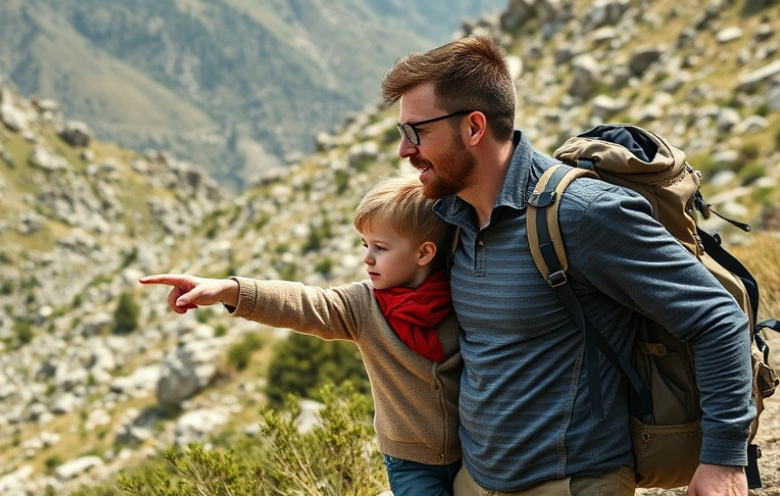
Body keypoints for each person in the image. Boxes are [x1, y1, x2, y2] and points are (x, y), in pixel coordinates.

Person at [379, 34, 755, 496]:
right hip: (475, 481)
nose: (404, 150)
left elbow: (717, 318)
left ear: (474, 128)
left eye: (416, 132)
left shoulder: (583, 214)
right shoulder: (447, 218)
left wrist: (723, 459)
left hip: (574, 482)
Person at [140, 176, 463, 496]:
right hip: (411, 461)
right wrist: (229, 290)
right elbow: (304, 304)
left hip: (473, 450)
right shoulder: (363, 306)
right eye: (365, 245)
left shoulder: (465, 296)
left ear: (424, 253)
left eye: (380, 247)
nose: (366, 258)